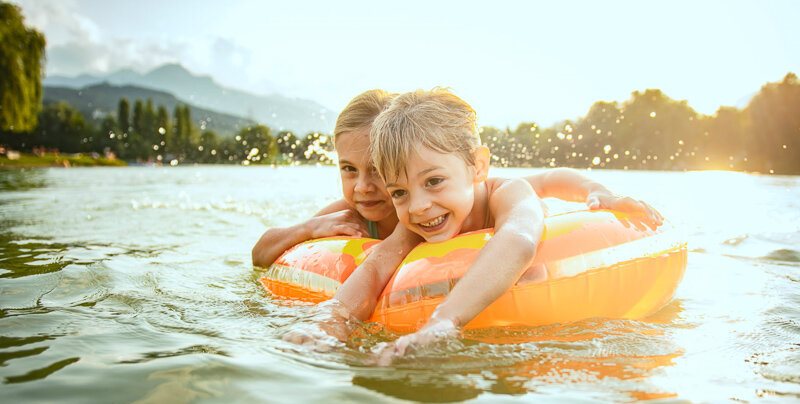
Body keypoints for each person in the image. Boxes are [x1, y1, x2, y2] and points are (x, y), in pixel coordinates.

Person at [252, 89, 662, 268]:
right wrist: (311, 228)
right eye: (348, 170)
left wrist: (597, 191)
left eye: (378, 172)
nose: (363, 187)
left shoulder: (473, 195)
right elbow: (261, 253)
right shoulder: (354, 213)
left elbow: (547, 181)